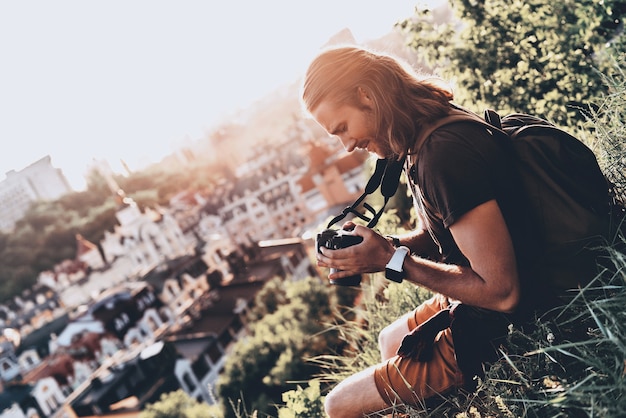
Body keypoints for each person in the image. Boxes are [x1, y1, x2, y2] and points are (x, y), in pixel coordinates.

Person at [300, 45, 558, 417]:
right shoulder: (421, 134)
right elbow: (443, 238)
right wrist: (379, 250)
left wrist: (393, 261)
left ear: (366, 96)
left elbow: (504, 293)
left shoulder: (442, 155)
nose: (348, 145)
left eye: (342, 128)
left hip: (509, 311)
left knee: (338, 406)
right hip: (492, 282)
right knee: (390, 339)